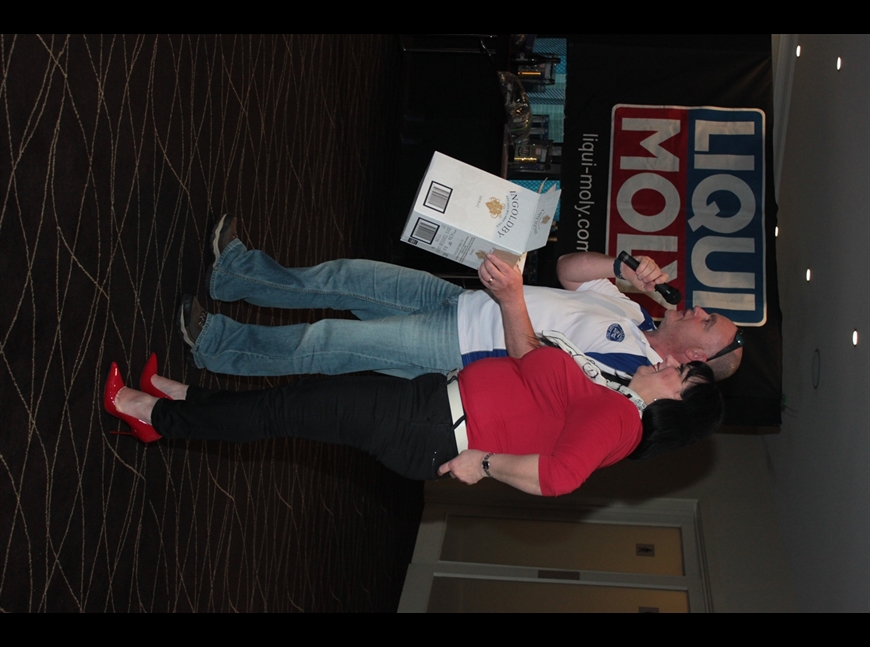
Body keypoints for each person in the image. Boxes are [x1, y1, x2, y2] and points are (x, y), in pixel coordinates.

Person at [180, 215, 743, 383]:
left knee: (329, 342)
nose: (697, 309)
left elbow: (535, 367)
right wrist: (623, 271)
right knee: (345, 277)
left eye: (707, 321)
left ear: (696, 356)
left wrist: (511, 299)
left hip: (457, 345)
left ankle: (217, 345)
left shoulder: (633, 374)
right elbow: (569, 270)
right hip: (463, 300)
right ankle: (235, 275)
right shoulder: (631, 313)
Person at [104, 345, 724, 497]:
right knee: (300, 399)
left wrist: (484, 464)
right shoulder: (617, 399)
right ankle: (184, 401)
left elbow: (559, 477)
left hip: (426, 428)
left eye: (682, 375)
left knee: (286, 411)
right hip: (427, 409)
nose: (671, 363)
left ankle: (150, 414)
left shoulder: (622, 417)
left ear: (677, 406)